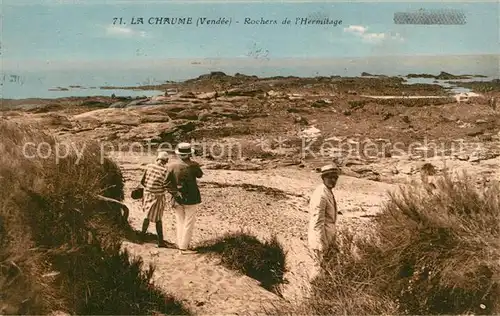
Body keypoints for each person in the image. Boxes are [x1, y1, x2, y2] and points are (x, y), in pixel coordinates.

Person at [167, 142, 203, 254]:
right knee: (189, 222)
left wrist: (175, 193)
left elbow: (166, 183)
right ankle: (183, 247)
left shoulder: (171, 165)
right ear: (189, 154)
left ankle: (180, 245)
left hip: (177, 198)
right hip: (191, 197)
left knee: (180, 221)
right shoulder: (193, 165)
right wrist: (193, 160)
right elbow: (200, 175)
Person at [307, 163, 340, 279]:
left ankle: (322, 293)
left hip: (328, 238)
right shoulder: (321, 195)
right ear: (323, 178)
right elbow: (317, 222)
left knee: (328, 269)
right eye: (330, 177)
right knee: (319, 269)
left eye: (335, 177)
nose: (333, 180)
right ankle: (314, 293)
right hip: (321, 240)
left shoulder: (327, 191)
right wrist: (322, 244)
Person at [139, 151, 178, 248]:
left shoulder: (149, 166)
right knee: (158, 219)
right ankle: (160, 241)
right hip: (158, 196)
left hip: (147, 194)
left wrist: (149, 188)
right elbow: (167, 185)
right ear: (166, 161)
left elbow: (142, 181)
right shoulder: (166, 171)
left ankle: (142, 236)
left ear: (157, 159)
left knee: (146, 215)